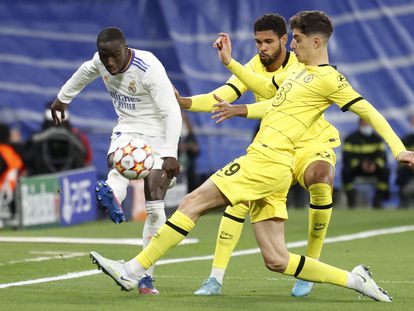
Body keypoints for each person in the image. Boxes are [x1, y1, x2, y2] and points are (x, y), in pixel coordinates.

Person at [90, 11, 414, 302]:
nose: (294, 46)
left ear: (316, 41)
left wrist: (398, 149)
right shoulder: (298, 73)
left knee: (192, 203)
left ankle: (132, 270)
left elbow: (369, 111)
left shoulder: (330, 79)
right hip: (275, 165)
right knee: (277, 259)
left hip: (268, 159)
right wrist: (229, 66)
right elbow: (267, 93)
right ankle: (355, 280)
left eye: (297, 39)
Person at [175, 13, 338, 297]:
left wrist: (241, 109)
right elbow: (222, 94)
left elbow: (276, 100)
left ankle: (312, 266)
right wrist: (184, 102)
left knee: (321, 181)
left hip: (310, 141)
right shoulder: (253, 65)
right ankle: (215, 278)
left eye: (268, 42)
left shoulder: (302, 64)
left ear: (285, 41)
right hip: (274, 143)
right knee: (237, 200)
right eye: (258, 42)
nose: (262, 47)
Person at [50, 27, 182, 295]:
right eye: (104, 56)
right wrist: (62, 100)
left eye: (114, 56)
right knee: (119, 163)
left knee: (155, 205)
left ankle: (146, 275)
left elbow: (171, 111)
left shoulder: (149, 67)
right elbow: (83, 73)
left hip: (157, 131)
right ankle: (112, 195)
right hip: (128, 129)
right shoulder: (100, 61)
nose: (109, 62)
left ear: (125, 48)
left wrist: (171, 152)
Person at [25, 105, 90, 175]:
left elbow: (85, 159)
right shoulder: (36, 139)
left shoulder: (77, 139)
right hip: (42, 178)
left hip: (70, 179)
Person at [341, 118, 390, 208]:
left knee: (386, 171)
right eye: (364, 124)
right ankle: (352, 200)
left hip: (374, 168)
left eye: (368, 124)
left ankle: (378, 201)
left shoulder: (377, 139)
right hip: (357, 168)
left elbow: (383, 156)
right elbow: (346, 157)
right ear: (359, 124)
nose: (366, 126)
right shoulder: (351, 138)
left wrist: (375, 164)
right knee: (345, 171)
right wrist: (360, 164)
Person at [396, 115, 414, 207]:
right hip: (408, 172)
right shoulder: (406, 141)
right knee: (401, 172)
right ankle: (403, 203)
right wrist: (409, 166)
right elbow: (400, 159)